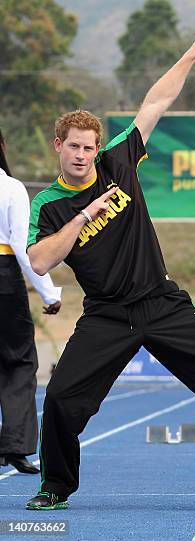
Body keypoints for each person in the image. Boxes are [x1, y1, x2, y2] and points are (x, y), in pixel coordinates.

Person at [24, 18, 195, 512]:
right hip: (107, 315)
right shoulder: (46, 204)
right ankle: (55, 488)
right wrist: (85, 213)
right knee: (63, 402)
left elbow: (155, 102)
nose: (84, 154)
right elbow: (41, 261)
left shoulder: (117, 163)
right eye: (74, 146)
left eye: (90, 146)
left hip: (162, 302)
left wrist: (192, 53)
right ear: (58, 147)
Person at [0, 129, 62, 475]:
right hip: (4, 276)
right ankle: (14, 447)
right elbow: (26, 248)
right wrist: (50, 295)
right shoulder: (10, 187)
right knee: (19, 361)